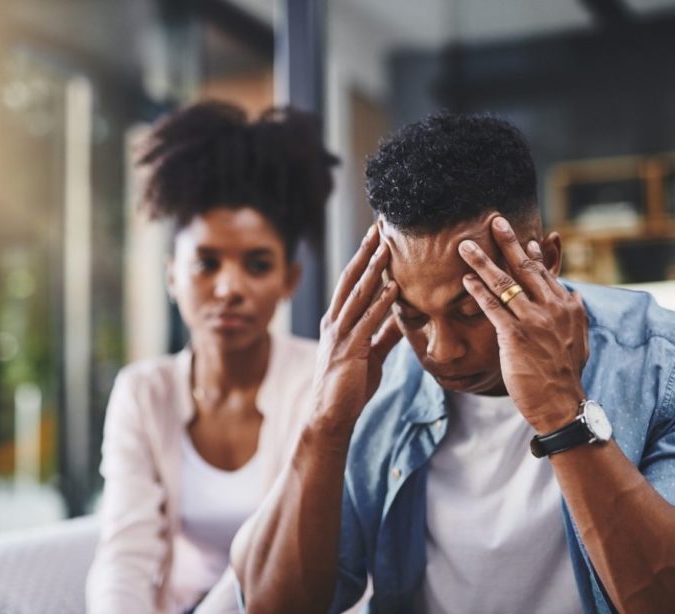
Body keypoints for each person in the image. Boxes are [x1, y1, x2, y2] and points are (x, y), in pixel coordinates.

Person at [232, 113, 675, 613]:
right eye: (412, 315)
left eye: (471, 311)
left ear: (546, 263)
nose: (440, 351)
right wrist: (325, 426)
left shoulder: (657, 363)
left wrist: (560, 412)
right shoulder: (383, 380)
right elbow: (271, 606)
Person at [86, 101, 337, 613]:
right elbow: (125, 556)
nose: (228, 288)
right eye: (205, 262)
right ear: (172, 275)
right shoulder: (143, 392)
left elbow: (332, 554)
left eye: (257, 264)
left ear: (289, 279)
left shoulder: (321, 381)